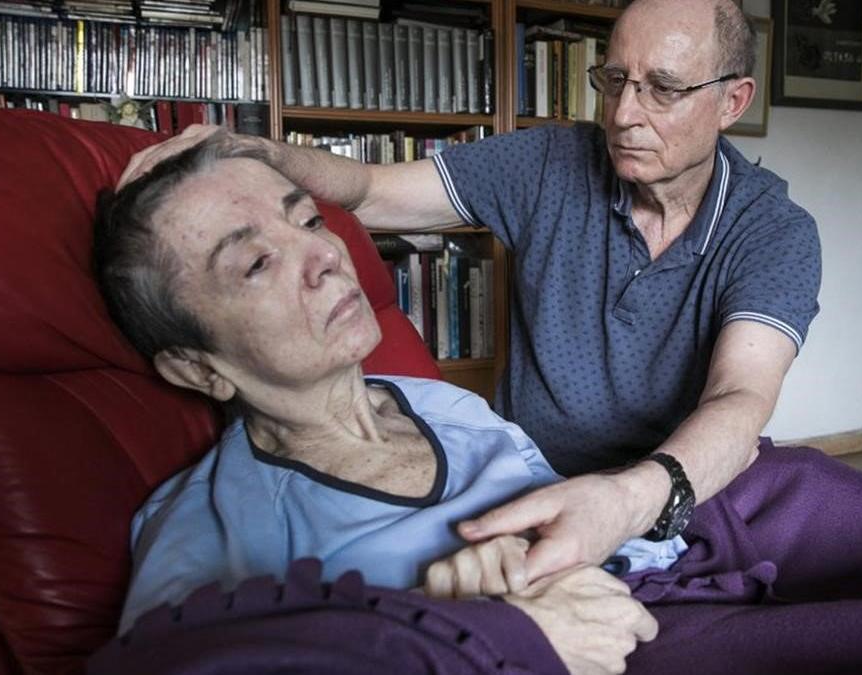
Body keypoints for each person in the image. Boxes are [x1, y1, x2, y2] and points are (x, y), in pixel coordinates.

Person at [118, 0, 814, 585]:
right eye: (613, 79)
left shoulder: (774, 230)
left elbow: (740, 397)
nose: (624, 113)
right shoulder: (550, 161)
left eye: (662, 88)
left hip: (672, 491)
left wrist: (633, 499)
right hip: (526, 482)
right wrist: (262, 156)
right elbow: (371, 190)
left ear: (733, 100)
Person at [97, 139, 665, 673]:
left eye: (310, 220)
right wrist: (467, 622)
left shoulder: (445, 405)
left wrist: (547, 554)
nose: (323, 253)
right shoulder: (215, 528)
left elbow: (624, 542)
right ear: (197, 367)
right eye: (256, 264)